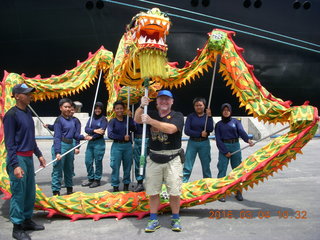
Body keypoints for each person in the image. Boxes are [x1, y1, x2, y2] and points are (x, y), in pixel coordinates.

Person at [134, 89, 184, 233]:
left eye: (167, 99)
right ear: (156, 102)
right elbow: (137, 119)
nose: (164, 102)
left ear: (172, 102)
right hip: (154, 158)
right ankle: (153, 219)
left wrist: (150, 121)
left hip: (172, 158)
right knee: (153, 191)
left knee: (174, 191)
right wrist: (141, 106)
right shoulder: (151, 112)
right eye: (161, 99)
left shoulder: (177, 115)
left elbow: (171, 129)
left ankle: (175, 218)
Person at [4, 83, 46, 240]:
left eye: (30, 93)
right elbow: (10, 143)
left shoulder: (28, 113)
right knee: (18, 193)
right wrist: (15, 165)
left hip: (28, 157)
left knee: (29, 192)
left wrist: (39, 155)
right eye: (27, 93)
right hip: (18, 158)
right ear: (17, 96)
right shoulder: (11, 115)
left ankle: (27, 220)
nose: (30, 96)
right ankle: (17, 227)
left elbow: (30, 138)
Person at [51, 98, 91, 196]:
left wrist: (84, 137)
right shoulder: (59, 120)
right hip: (61, 145)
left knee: (69, 169)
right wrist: (57, 152)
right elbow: (57, 137)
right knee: (58, 170)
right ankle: (56, 192)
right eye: (65, 107)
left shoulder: (73, 120)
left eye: (69, 107)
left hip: (70, 146)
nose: (68, 109)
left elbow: (75, 135)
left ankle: (69, 190)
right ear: (61, 108)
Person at [215, 103, 254, 202]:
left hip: (235, 146)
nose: (226, 112)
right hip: (224, 146)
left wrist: (248, 140)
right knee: (222, 169)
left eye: (228, 110)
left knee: (237, 170)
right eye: (224, 110)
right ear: (222, 112)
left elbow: (241, 132)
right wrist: (225, 151)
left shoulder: (236, 122)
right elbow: (218, 140)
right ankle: (221, 193)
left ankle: (238, 192)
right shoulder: (218, 125)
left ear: (230, 111)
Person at [183, 97, 214, 183]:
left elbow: (210, 129)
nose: (198, 107)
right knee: (187, 165)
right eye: (196, 105)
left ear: (204, 106)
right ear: (194, 107)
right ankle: (183, 184)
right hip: (192, 143)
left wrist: (210, 116)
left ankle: (208, 183)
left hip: (204, 143)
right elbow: (187, 131)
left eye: (200, 105)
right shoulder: (190, 117)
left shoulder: (207, 117)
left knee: (206, 166)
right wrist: (199, 134)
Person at [108, 101, 136, 192]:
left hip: (127, 146)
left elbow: (134, 128)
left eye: (121, 108)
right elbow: (110, 134)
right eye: (117, 108)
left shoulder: (127, 119)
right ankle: (115, 185)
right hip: (117, 146)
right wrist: (122, 137)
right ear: (114, 110)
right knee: (115, 166)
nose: (119, 110)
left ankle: (126, 184)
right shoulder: (112, 121)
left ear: (123, 109)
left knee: (127, 166)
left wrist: (130, 118)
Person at [82, 102, 108, 188]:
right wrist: (94, 131)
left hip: (99, 142)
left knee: (98, 161)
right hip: (90, 142)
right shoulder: (91, 118)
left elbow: (102, 132)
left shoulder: (104, 119)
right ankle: (90, 178)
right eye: (96, 108)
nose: (97, 110)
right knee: (88, 161)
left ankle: (97, 180)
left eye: (99, 108)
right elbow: (86, 129)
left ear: (101, 109)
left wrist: (93, 136)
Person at [132, 121, 149, 192]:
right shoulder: (136, 116)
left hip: (148, 139)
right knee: (139, 162)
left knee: (150, 162)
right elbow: (131, 128)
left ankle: (152, 182)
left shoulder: (151, 113)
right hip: (138, 140)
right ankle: (140, 182)